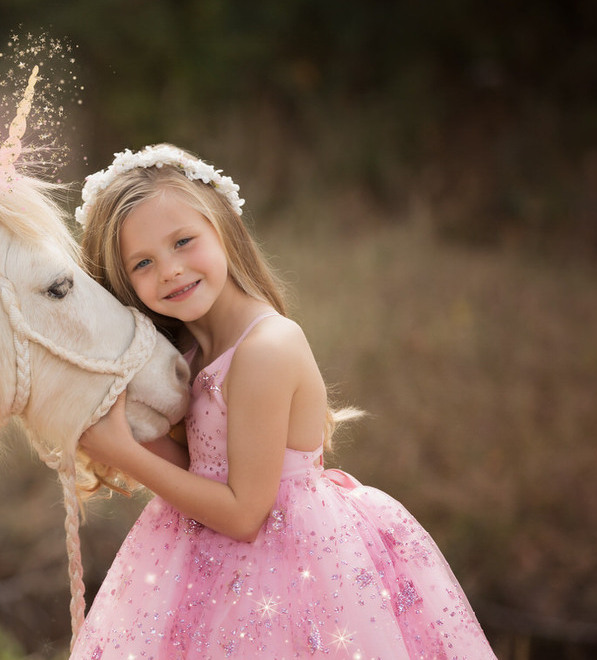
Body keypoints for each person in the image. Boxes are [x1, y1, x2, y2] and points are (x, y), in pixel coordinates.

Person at [68, 144, 495, 658]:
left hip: (285, 568)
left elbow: (245, 513)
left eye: (183, 241)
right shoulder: (186, 351)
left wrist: (125, 454)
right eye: (143, 263)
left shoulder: (266, 348)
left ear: (222, 227)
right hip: (200, 561)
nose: (171, 270)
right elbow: (197, 469)